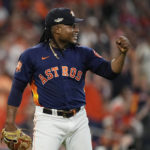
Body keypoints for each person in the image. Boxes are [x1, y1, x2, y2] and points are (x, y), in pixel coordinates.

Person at [3, 7, 130, 150]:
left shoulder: (83, 53)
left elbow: (110, 71)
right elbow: (17, 89)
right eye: (71, 26)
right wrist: (9, 122)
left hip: (78, 119)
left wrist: (122, 54)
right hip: (48, 121)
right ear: (57, 29)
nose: (76, 30)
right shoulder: (31, 56)